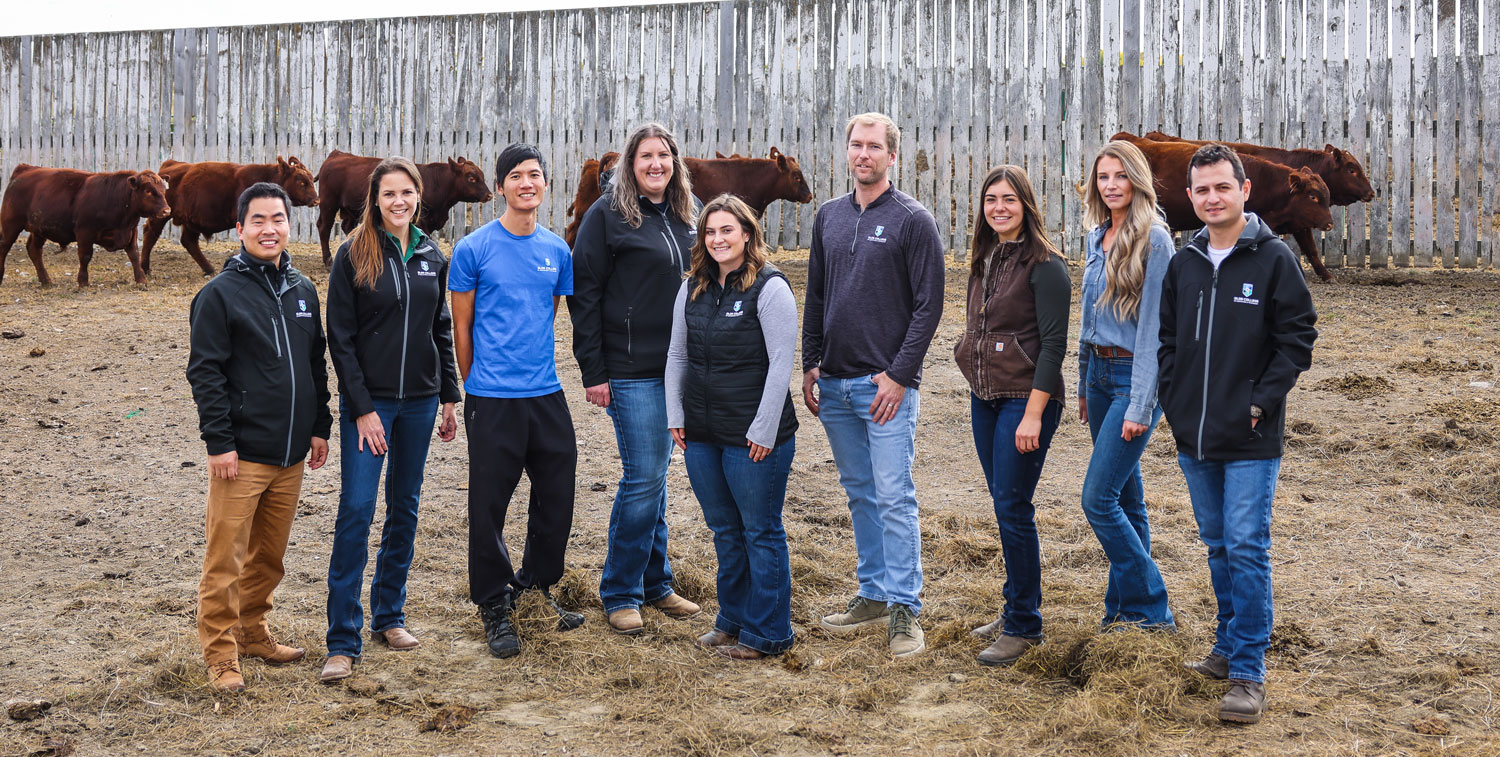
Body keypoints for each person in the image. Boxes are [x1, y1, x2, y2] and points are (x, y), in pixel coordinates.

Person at [1159, 143, 1317, 724]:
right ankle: (1227, 646)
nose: (1211, 198)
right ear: (1191, 196)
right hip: (1194, 433)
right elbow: (1168, 339)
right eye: (1201, 190)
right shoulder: (1185, 263)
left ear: (1244, 190)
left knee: (1248, 547)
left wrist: (1260, 401)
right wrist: (1175, 400)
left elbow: (1297, 336)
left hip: (1250, 434)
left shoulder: (1273, 259)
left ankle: (1249, 671)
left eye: (1222, 187)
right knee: (1219, 543)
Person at [802, 112, 944, 658]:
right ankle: (873, 593)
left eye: (874, 146)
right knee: (860, 493)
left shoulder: (913, 220)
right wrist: (811, 361)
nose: (863, 154)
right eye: (856, 145)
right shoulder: (829, 217)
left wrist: (900, 376)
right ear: (846, 152)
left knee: (893, 496)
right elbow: (816, 294)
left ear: (893, 156)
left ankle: (906, 607)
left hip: (883, 388)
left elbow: (930, 306)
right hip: (835, 385)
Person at [319, 158, 462, 683]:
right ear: (374, 201)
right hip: (371, 406)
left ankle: (390, 615)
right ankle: (341, 639)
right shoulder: (352, 253)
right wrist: (361, 410)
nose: (398, 202)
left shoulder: (431, 253)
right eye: (388, 195)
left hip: (421, 402)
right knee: (356, 513)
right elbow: (342, 339)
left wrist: (450, 394)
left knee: (405, 507)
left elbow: (439, 326)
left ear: (418, 197)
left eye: (406, 193)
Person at [186, 182, 333, 692]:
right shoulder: (218, 295)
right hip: (242, 454)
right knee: (225, 557)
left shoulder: (303, 290)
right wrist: (219, 443)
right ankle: (221, 654)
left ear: (289, 225)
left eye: (278, 220)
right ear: (239, 227)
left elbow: (316, 366)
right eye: (258, 221)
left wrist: (320, 428)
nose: (269, 230)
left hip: (291, 453)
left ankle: (253, 631)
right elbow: (205, 373)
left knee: (269, 555)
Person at [450, 143, 586, 659]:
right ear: (501, 187)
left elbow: (548, 312)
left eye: (535, 175)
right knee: (488, 504)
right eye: (516, 176)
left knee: (557, 492)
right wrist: (475, 382)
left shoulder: (557, 251)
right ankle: (492, 602)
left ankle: (534, 586)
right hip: (492, 397)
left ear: (544, 184)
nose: (526, 183)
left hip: (546, 393)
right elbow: (461, 327)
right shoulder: (472, 249)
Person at [569, 123, 702, 635]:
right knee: (644, 476)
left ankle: (656, 582)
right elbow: (585, 295)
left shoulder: (686, 215)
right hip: (631, 369)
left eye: (664, 155)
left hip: (679, 366)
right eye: (645, 156)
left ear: (675, 162)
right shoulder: (607, 216)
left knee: (657, 479)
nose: (655, 164)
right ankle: (620, 590)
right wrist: (594, 370)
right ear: (630, 163)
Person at [666, 194, 799, 660]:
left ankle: (768, 633)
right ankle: (733, 619)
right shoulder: (693, 287)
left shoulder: (770, 287)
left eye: (728, 230)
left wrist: (764, 428)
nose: (718, 239)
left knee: (760, 530)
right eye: (710, 231)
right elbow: (677, 355)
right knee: (725, 529)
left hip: (753, 437)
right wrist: (675, 414)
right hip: (702, 433)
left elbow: (783, 363)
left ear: (747, 233)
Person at [954, 166, 1071, 667]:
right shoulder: (984, 260)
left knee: (1013, 505)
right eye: (991, 200)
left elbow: (1054, 348)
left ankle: (1025, 625)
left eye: (1009, 199)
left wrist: (1034, 416)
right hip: (987, 396)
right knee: (1005, 503)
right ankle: (1014, 607)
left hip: (1027, 400)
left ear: (1026, 204)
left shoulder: (1046, 266)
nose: (999, 208)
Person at [1075, 141, 1177, 632]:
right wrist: (1079, 381)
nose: (1111, 185)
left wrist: (1142, 403)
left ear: (1137, 181)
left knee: (1097, 499)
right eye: (1103, 177)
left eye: (1120, 176)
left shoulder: (1155, 239)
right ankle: (1122, 614)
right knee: (1125, 499)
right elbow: (1088, 318)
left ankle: (1152, 609)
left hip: (1132, 380)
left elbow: (1157, 327)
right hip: (1097, 376)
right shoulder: (1097, 236)